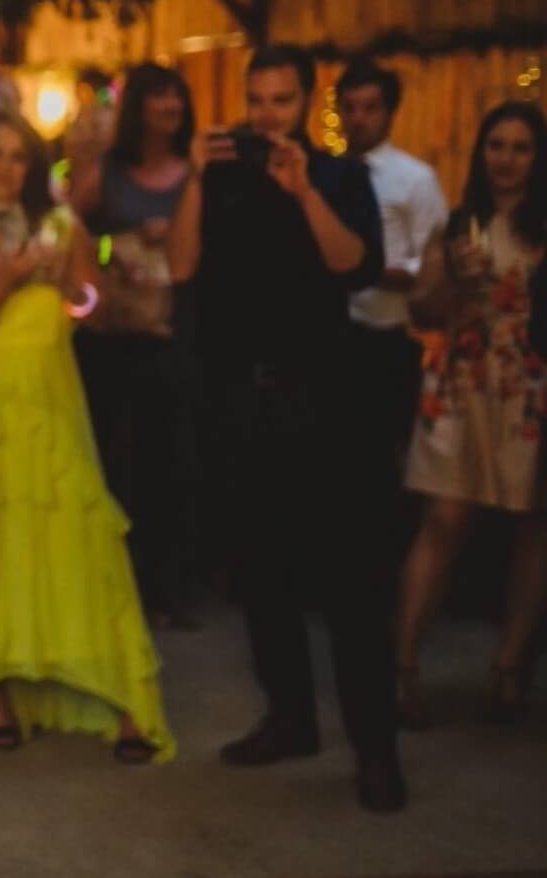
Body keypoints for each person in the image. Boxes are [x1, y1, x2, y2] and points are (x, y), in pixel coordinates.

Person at [168, 43, 401, 813]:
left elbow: (356, 266)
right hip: (242, 403)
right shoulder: (222, 170)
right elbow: (180, 267)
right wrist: (199, 178)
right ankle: (291, 718)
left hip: (328, 403)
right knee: (262, 575)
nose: (266, 113)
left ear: (307, 103)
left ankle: (376, 750)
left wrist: (304, 189)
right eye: (257, 98)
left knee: (350, 585)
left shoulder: (340, 175)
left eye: (281, 100)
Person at [0, 108, 173, 762]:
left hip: (51, 399)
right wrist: (4, 279)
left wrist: (66, 285)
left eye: (16, 156)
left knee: (75, 544)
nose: (3, 167)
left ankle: (121, 698)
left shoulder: (63, 225)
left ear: (32, 167)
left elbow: (99, 306)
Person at [394, 101, 545, 727]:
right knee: (444, 519)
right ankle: (400, 666)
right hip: (462, 377)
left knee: (535, 526)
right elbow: (422, 309)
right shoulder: (459, 223)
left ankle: (509, 668)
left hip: (528, 383)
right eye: (495, 146)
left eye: (519, 147)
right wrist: (454, 281)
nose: (505, 159)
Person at [67, 62, 203, 626]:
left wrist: (165, 237)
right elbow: (67, 230)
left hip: (168, 332)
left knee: (168, 460)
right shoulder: (107, 170)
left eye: (176, 95)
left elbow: (188, 262)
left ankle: (166, 587)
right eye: (157, 96)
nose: (168, 106)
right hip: (112, 334)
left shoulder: (192, 174)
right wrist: (112, 249)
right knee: (115, 458)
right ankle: (116, 583)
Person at [336, 59, 449, 460]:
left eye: (369, 108)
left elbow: (436, 264)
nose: (358, 119)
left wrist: (374, 272)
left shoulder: (415, 179)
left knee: (383, 454)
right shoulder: (326, 174)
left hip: (387, 336)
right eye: (349, 108)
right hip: (330, 334)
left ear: (389, 112)